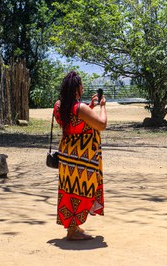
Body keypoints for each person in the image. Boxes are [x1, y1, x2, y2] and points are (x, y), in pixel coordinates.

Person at [53, 71, 107, 240]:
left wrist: (89, 107)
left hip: (67, 155)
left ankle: (73, 226)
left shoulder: (58, 105)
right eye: (82, 84)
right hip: (83, 157)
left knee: (69, 190)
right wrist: (102, 106)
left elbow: (73, 124)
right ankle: (72, 230)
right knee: (83, 190)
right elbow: (101, 125)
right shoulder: (79, 108)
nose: (83, 87)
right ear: (78, 88)